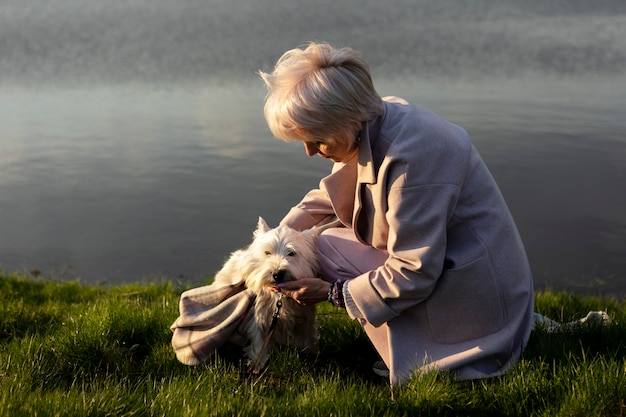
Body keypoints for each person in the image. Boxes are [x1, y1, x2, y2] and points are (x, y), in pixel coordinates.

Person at [258, 42, 534, 386]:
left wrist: (332, 293)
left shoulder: (413, 162)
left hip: (477, 305)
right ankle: (406, 341)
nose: (310, 152)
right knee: (326, 239)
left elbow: (415, 271)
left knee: (327, 246)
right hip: (461, 268)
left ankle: (427, 357)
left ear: (345, 120)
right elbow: (327, 197)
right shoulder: (377, 116)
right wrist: (272, 241)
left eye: (317, 140)